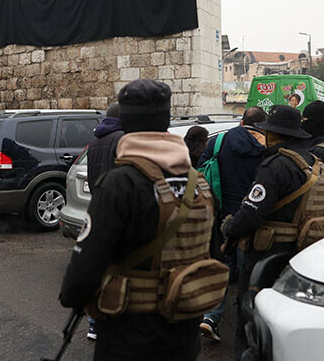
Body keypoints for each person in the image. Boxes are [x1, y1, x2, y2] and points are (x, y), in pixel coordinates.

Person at [60, 79, 225, 361]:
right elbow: (209, 255)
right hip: (183, 338)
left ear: (124, 120)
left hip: (130, 340)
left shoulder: (121, 183)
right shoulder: (199, 185)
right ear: (166, 119)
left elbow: (80, 277)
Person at [222, 105, 324, 357]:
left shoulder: (275, 165)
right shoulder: (313, 163)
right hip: (300, 255)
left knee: (252, 320)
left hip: (265, 256)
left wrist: (229, 227)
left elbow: (251, 214)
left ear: (273, 134)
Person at [197, 107, 267, 342]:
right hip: (250, 217)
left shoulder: (217, 142)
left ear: (241, 121)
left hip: (221, 214)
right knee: (247, 271)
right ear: (262, 126)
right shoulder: (267, 146)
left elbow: (200, 171)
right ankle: (245, 325)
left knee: (222, 266)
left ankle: (210, 317)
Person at [83, 102, 125, 340]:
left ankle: (93, 324)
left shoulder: (96, 139)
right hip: (116, 211)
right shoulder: (121, 139)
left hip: (97, 205)